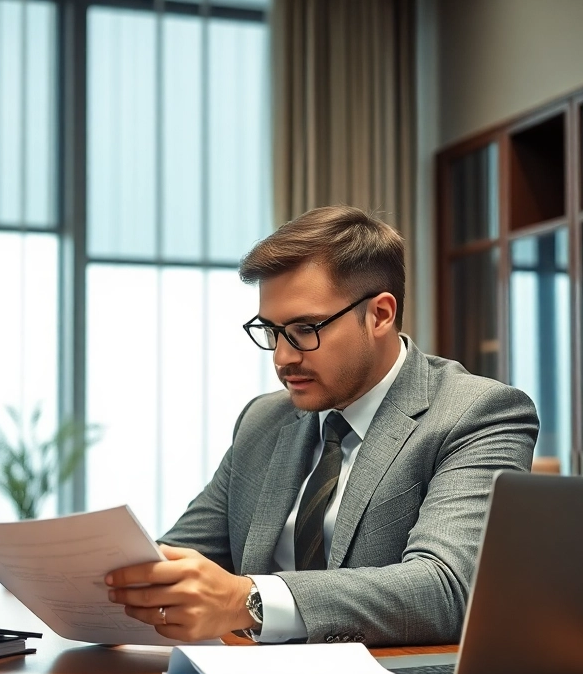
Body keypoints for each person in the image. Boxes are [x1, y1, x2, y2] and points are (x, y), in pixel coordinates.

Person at [104, 206, 539, 646]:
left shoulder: (479, 413)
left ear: (380, 315)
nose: (282, 357)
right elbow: (184, 557)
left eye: (305, 329)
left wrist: (249, 600)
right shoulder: (263, 420)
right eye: (272, 331)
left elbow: (446, 590)